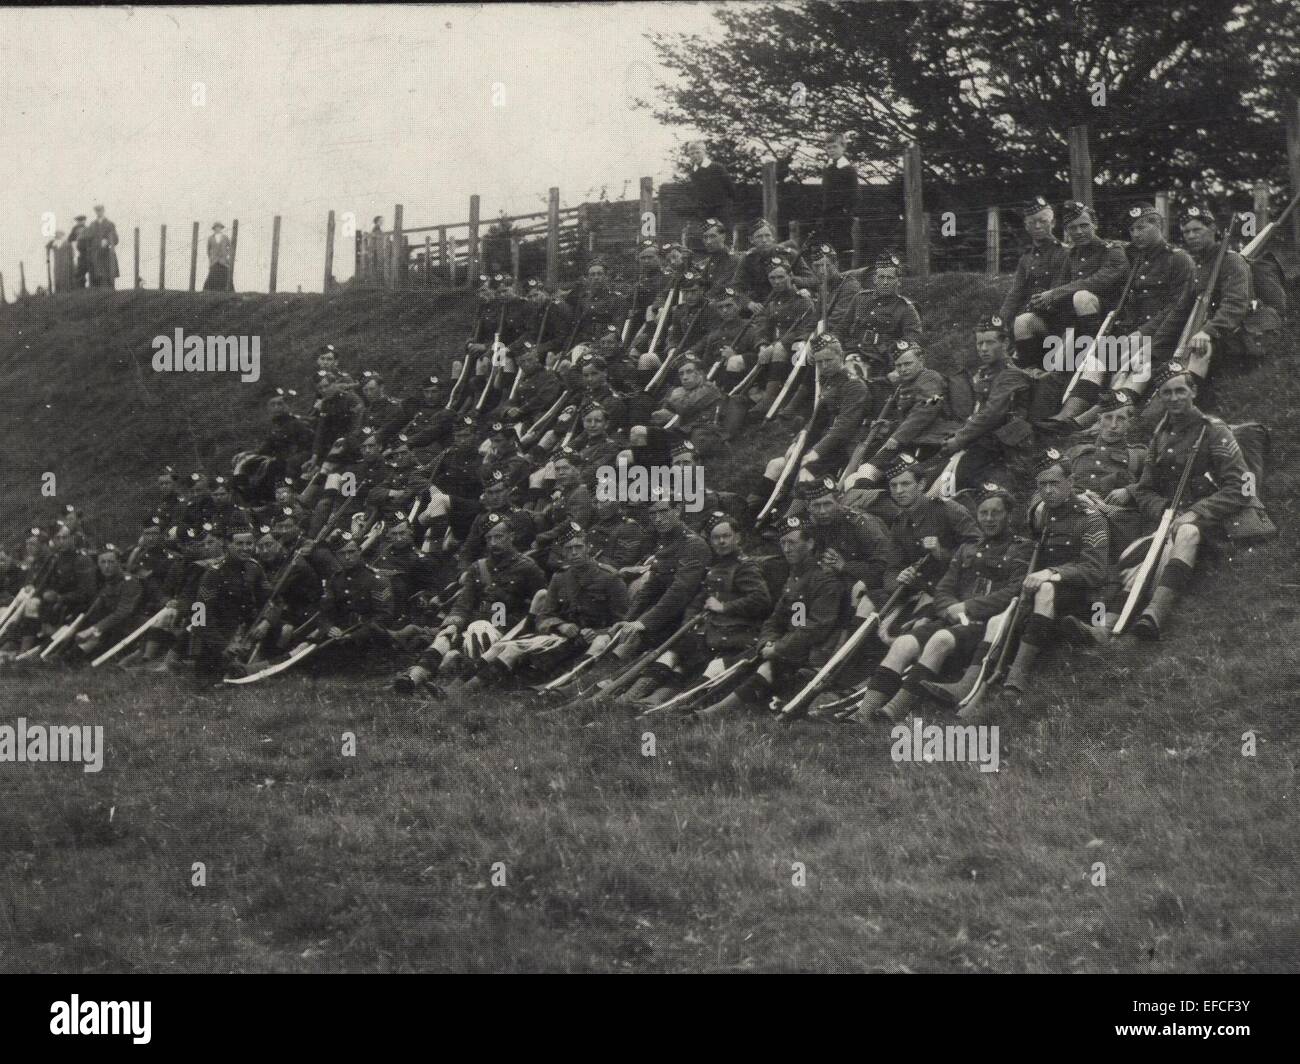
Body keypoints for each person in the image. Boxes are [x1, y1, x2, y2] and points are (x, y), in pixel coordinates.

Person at [854, 483, 1032, 721]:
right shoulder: (966, 549)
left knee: (940, 638)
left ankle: (893, 710)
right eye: (983, 513)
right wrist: (948, 608)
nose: (989, 519)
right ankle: (862, 714)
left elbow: (1014, 591)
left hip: (987, 624)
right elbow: (944, 587)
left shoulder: (1022, 548)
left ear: (1008, 515)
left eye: (996, 513)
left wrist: (967, 608)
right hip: (954, 619)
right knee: (903, 643)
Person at [960, 448, 1110, 721]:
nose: (1049, 491)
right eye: (1043, 484)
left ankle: (1016, 678)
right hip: (1046, 594)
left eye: (1055, 483)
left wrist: (1051, 573)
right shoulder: (1041, 513)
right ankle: (974, 681)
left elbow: (1095, 570)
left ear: (1071, 483)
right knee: (1004, 614)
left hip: (1083, 595)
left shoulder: (1091, 518)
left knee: (1045, 589)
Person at [1125, 364, 1251, 640]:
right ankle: (1111, 622)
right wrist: (1164, 511)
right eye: (1167, 393)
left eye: (1180, 391)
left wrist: (1195, 512)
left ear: (1193, 391)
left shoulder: (1213, 431)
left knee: (1188, 532)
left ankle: (1155, 614)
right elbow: (1144, 490)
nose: (1174, 398)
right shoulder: (1159, 437)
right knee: (1130, 561)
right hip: (1168, 521)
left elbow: (1242, 486)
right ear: (1160, 398)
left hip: (1211, 521)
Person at [623, 511, 772, 707]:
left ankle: (673, 704)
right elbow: (697, 601)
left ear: (738, 537)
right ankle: (633, 697)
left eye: (726, 536)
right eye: (716, 538)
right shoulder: (716, 568)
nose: (721, 542)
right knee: (673, 653)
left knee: (703, 666)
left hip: (737, 634)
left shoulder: (745, 568)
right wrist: (687, 625)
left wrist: (724, 607)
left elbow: (761, 600)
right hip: (711, 631)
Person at [696, 516, 840, 718]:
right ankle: (693, 703)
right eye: (783, 543)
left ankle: (711, 713)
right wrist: (767, 642)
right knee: (728, 663)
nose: (787, 549)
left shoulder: (824, 580)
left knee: (767, 667)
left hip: (810, 653)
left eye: (793, 542)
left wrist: (778, 648)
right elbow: (775, 619)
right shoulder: (794, 577)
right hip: (787, 647)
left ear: (810, 543)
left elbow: (815, 628)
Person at [685, 140, 736, 237]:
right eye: (691, 154)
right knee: (708, 234)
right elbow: (695, 193)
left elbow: (730, 188)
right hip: (705, 210)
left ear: (704, 152)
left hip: (721, 208)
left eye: (697, 152)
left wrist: (727, 205)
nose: (695, 156)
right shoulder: (693, 172)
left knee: (725, 232)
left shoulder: (717, 167)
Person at [820, 133, 858, 255]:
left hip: (842, 216)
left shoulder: (848, 169)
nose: (831, 150)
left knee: (843, 249)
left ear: (843, 147)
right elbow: (824, 192)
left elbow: (855, 194)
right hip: (827, 216)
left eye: (835, 147)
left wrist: (846, 211)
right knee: (828, 250)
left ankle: (845, 273)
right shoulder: (827, 168)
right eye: (828, 147)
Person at [84, 204, 120, 288]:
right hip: (95, 255)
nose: (98, 212)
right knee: (95, 279)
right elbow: (88, 239)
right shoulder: (92, 225)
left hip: (107, 255)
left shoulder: (110, 224)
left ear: (103, 211)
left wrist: (108, 241)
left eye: (100, 210)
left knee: (107, 279)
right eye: (96, 211)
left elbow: (116, 239)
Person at [205, 222, 232, 290]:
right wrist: (211, 257)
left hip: (223, 261)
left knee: (225, 275)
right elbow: (208, 250)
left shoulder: (225, 237)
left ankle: (226, 290)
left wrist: (226, 254)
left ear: (221, 228)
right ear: (214, 229)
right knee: (213, 275)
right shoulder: (210, 238)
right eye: (216, 227)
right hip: (214, 261)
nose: (218, 229)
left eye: (219, 227)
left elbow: (230, 247)